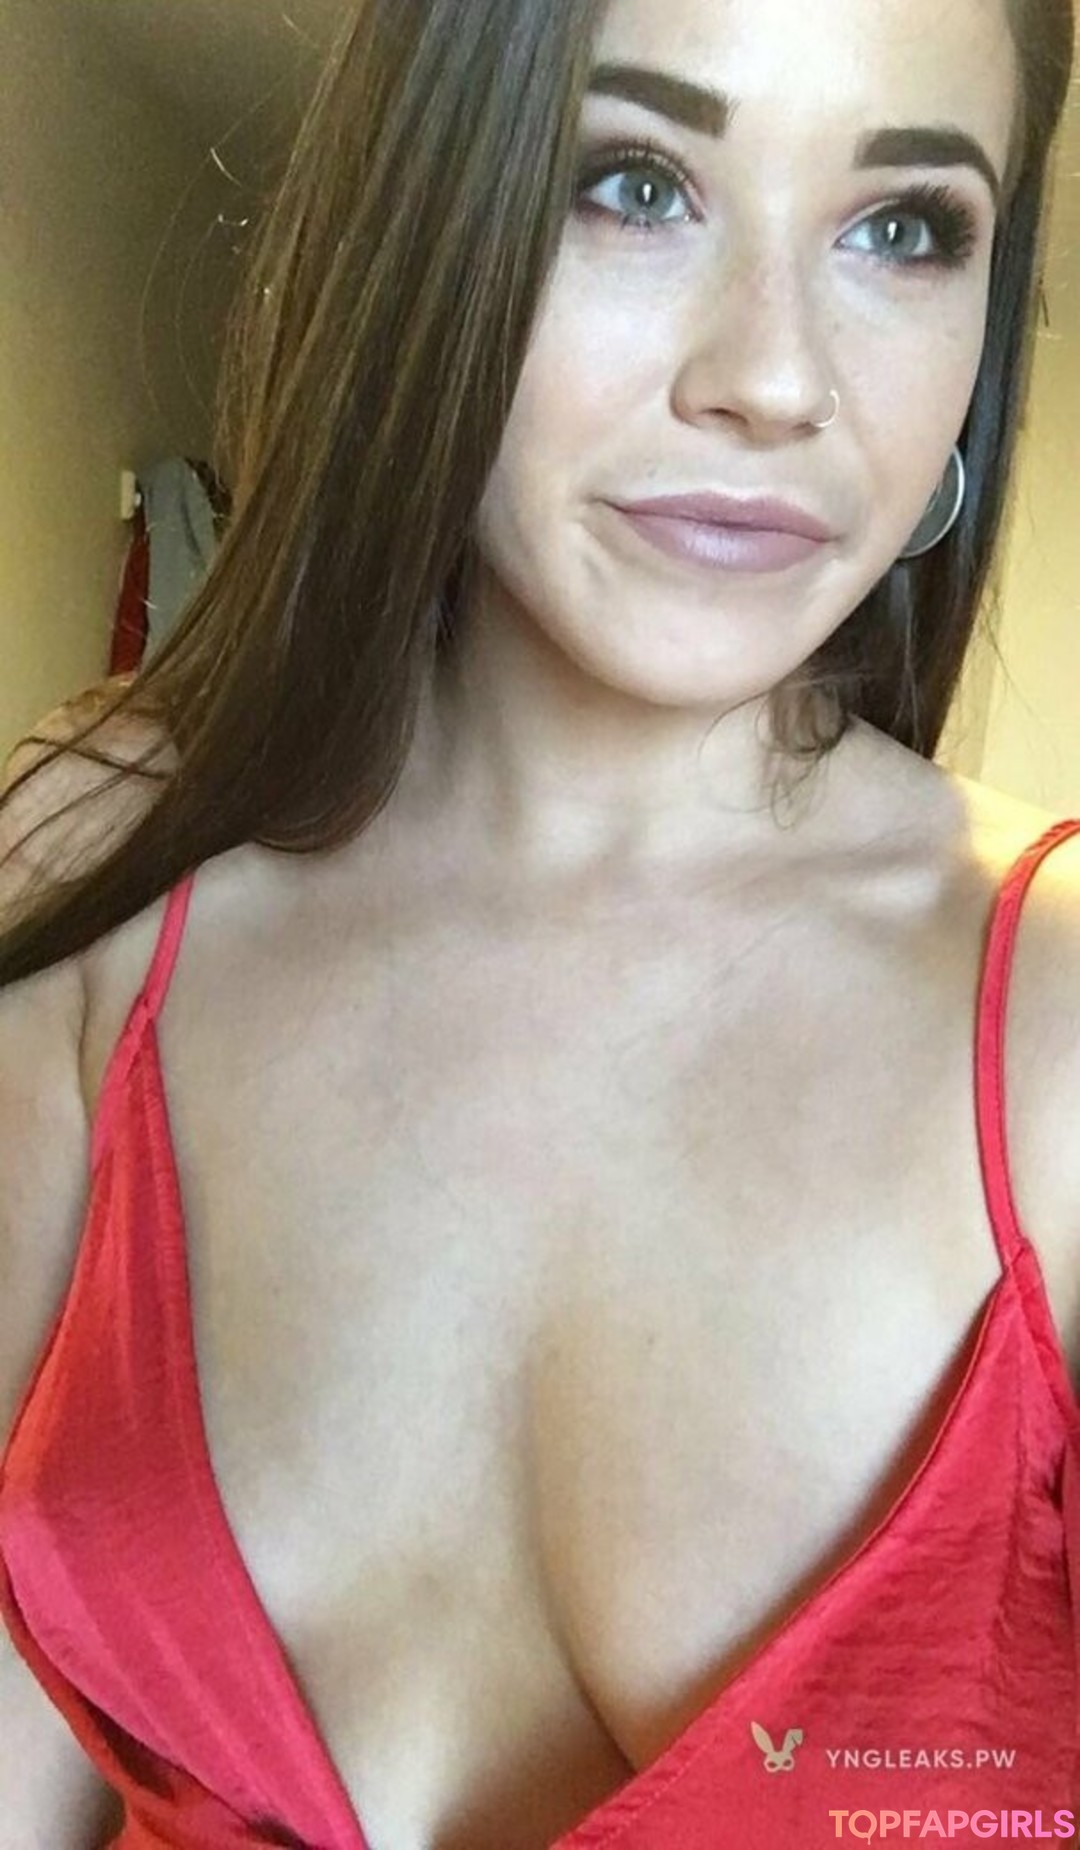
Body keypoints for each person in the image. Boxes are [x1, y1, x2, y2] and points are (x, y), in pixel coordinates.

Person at [0, 0, 1078, 1844]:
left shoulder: (1053, 1019)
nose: (774, 378)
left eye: (902, 226)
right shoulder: (100, 869)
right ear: (430, 207)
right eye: (634, 183)